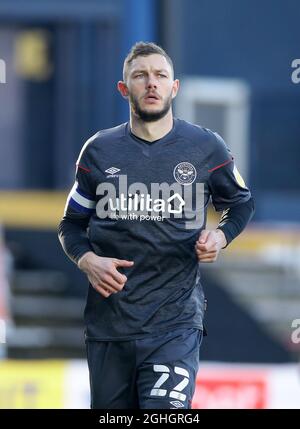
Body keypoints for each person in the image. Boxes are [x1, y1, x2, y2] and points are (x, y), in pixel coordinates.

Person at [58, 41, 254, 409]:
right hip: (109, 327)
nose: (151, 83)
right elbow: (70, 224)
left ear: (174, 87)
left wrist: (221, 236)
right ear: (124, 88)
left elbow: (241, 202)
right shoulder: (98, 151)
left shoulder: (205, 147)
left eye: (160, 76)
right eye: (140, 76)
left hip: (174, 324)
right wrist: (86, 260)